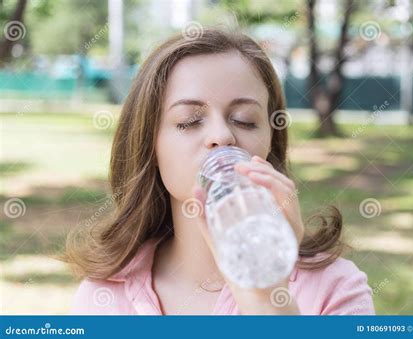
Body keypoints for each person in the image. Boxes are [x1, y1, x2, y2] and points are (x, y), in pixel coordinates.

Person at [64, 27, 375, 315]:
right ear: (150, 145)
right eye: (188, 121)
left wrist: (267, 297)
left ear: (271, 139)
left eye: (244, 119)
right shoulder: (103, 298)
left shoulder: (335, 288)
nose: (222, 136)